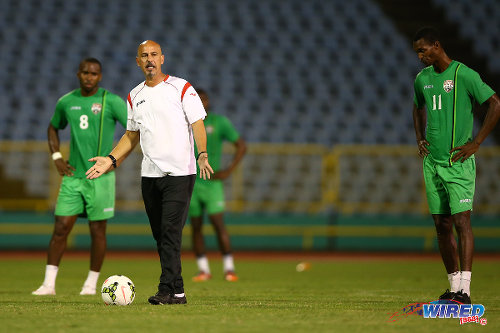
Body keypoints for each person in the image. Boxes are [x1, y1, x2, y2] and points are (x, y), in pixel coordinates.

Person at [86, 40, 213, 305]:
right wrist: (110, 159)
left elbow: (197, 124)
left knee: (169, 231)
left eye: (154, 54)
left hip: (180, 173)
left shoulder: (182, 88)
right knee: (161, 235)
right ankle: (177, 291)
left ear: (162, 58)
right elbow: (131, 136)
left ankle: (166, 289)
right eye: (144, 55)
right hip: (150, 176)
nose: (149, 59)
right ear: (138, 62)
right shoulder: (134, 95)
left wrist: (202, 153)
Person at [412, 27, 500, 304]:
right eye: (417, 52)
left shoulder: (465, 75)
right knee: (441, 225)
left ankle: (465, 291)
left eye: (423, 50)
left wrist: (477, 143)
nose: (420, 56)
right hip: (432, 164)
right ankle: (452, 288)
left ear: (436, 45)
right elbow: (417, 107)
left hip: (458, 162)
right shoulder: (422, 79)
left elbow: (495, 103)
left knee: (462, 222)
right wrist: (419, 137)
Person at [33, 58, 127, 296]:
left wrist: (115, 160)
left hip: (100, 177)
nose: (89, 77)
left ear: (100, 76)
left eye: (94, 73)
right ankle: (48, 285)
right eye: (85, 72)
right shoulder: (67, 101)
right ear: (78, 74)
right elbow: (53, 127)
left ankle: (90, 285)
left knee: (97, 231)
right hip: (73, 175)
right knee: (61, 227)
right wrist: (56, 156)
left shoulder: (111, 101)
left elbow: (133, 131)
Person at [189, 89, 247, 282]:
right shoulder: (185, 122)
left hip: (213, 184)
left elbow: (241, 145)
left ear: (208, 101)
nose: (201, 102)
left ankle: (229, 268)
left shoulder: (219, 122)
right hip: (192, 183)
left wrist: (229, 170)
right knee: (196, 227)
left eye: (204, 98)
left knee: (218, 225)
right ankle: (203, 270)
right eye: (197, 99)